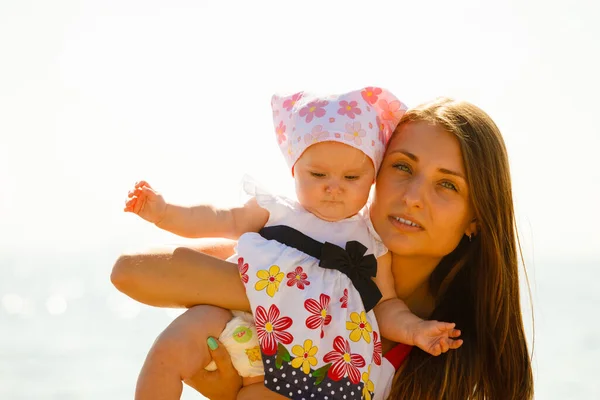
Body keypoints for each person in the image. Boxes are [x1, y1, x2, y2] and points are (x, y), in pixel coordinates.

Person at [112, 96, 534, 399]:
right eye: (402, 167)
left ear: (476, 218)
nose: (413, 197)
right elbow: (132, 272)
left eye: (447, 184)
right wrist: (298, 293)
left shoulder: (455, 368)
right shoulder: (288, 245)